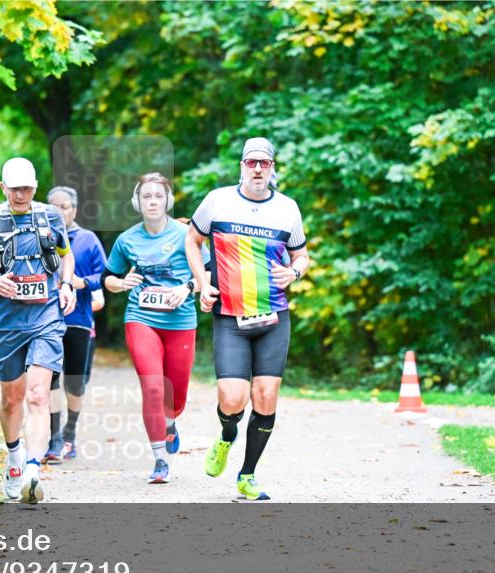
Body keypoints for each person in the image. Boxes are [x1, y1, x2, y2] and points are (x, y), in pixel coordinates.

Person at [185, 137, 310, 500]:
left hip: (273, 316)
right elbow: (192, 241)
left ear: (272, 169)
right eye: (251, 162)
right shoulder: (217, 201)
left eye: (264, 164)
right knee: (232, 398)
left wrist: (295, 274)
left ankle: (247, 475)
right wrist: (202, 282)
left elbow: (301, 256)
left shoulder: (287, 208)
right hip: (229, 315)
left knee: (266, 395)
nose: (257, 169)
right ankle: (227, 435)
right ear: (241, 166)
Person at [0, 157, 77, 503]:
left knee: (39, 395)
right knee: (12, 399)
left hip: (46, 317)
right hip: (7, 323)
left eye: (26, 188)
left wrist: (67, 285)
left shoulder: (50, 217)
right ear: (3, 188)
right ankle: (14, 458)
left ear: (35, 187)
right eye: (14, 188)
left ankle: (32, 469)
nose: (20, 194)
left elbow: (65, 255)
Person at [103, 173, 202, 484]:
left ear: (168, 200)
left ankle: (170, 423)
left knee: (177, 397)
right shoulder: (127, 239)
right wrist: (120, 284)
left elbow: (207, 274)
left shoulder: (187, 235)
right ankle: (160, 459)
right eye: (147, 196)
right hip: (141, 318)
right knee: (153, 387)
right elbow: (108, 278)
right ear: (137, 202)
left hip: (181, 321)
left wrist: (187, 288)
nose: (153, 201)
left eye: (158, 196)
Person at [43, 186, 107, 463]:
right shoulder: (39, 238)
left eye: (65, 206)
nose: (60, 211)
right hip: (44, 321)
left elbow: (105, 273)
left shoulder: (87, 239)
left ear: (74, 210)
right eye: (54, 206)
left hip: (78, 321)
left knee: (75, 384)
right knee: (50, 380)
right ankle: (54, 438)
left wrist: (84, 282)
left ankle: (70, 434)